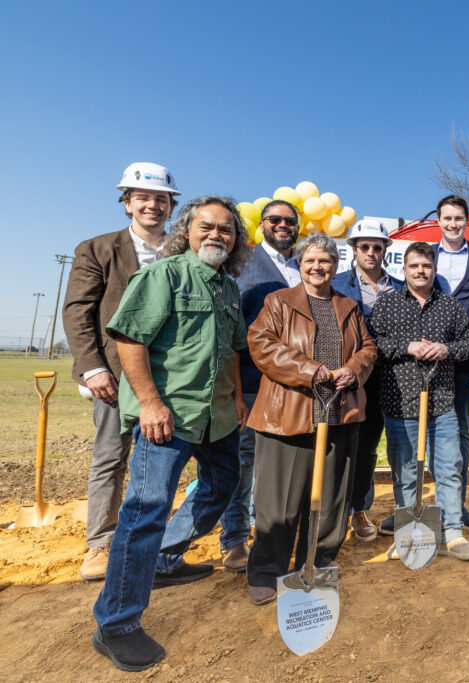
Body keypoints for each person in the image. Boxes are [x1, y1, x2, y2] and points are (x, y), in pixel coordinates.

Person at [91, 196, 251, 672]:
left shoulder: (228, 289)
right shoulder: (164, 276)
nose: (217, 235)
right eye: (208, 227)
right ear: (188, 230)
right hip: (168, 417)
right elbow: (129, 340)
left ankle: (163, 558)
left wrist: (238, 398)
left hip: (217, 416)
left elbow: (233, 352)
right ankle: (116, 623)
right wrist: (149, 403)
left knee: (223, 485)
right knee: (144, 511)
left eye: (227, 230)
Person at [245, 233, 377, 605]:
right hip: (287, 415)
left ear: (335, 267)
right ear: (300, 265)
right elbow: (262, 344)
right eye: (310, 261)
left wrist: (353, 369)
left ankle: (317, 562)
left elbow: (368, 347)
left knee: (332, 498)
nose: (317, 267)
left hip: (339, 415)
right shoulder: (278, 302)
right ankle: (268, 571)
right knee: (279, 501)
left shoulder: (348, 306)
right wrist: (310, 370)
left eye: (325, 261)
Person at [63, 162, 179, 581]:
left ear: (171, 205)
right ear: (127, 202)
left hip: (169, 377)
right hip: (114, 376)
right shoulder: (97, 250)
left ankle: (151, 542)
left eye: (161, 199)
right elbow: (78, 312)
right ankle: (100, 543)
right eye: (143, 198)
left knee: (162, 463)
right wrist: (93, 368)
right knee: (112, 457)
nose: (152, 205)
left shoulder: (181, 252)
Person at [372, 242, 469, 560]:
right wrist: (408, 347)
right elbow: (375, 344)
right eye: (414, 266)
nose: (421, 271)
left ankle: (453, 535)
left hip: (442, 403)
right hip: (399, 403)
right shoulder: (387, 304)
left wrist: (446, 350)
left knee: (448, 469)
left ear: (434, 270)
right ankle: (410, 535)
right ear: (403, 270)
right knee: (406, 472)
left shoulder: (449, 306)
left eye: (426, 266)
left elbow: (468, 345)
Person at [219, 199, 302, 573]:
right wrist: (235, 389)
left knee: (277, 464)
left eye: (290, 220)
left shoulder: (304, 264)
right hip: (251, 381)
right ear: (262, 224)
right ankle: (234, 538)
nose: (283, 225)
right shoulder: (243, 262)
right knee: (243, 462)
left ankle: (266, 531)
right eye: (275, 220)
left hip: (294, 385)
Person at [332, 218, 401, 542]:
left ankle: (358, 508)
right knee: (342, 444)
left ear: (385, 249)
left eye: (377, 246)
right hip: (350, 377)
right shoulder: (336, 284)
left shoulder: (400, 287)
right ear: (354, 250)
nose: (371, 252)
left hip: (389, 379)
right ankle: (333, 513)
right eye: (364, 246)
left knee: (369, 447)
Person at [432, 195, 469, 532]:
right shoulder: (426, 258)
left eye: (459, 219)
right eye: (447, 218)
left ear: (467, 222)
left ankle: (458, 504)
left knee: (460, 431)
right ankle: (434, 503)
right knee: (430, 431)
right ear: (438, 220)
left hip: (466, 360)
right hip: (429, 361)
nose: (453, 224)